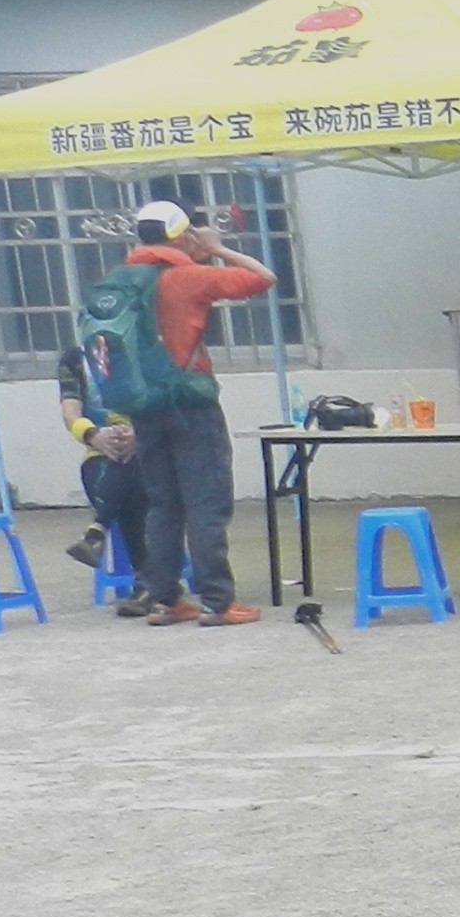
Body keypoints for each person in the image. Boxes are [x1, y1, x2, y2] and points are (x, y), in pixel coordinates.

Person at [111, 198, 274, 629]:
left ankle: (165, 600)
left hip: (145, 405)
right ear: (181, 235)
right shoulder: (189, 278)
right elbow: (264, 278)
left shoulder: (122, 280)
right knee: (206, 503)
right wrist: (216, 248)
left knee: (163, 504)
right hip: (191, 402)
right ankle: (217, 603)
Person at [54, 341, 160, 615]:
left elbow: (164, 408)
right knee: (123, 469)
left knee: (130, 467)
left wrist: (139, 435)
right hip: (99, 457)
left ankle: (96, 533)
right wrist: (95, 437)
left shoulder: (146, 348)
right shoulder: (75, 359)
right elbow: (70, 415)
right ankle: (147, 583)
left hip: (150, 454)